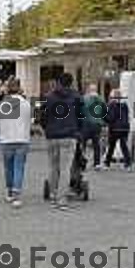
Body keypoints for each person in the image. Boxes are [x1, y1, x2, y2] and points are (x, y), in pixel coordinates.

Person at [40, 72, 84, 210]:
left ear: (59, 82)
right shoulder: (77, 97)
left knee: (53, 166)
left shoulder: (49, 97)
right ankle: (62, 199)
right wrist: (78, 131)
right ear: (71, 83)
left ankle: (53, 195)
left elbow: (42, 116)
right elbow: (81, 117)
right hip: (69, 135)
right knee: (66, 168)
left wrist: (47, 128)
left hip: (52, 136)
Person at [0, 78, 31, 208]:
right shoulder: (26, 103)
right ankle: (17, 196)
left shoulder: (4, 104)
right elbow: (29, 120)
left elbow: (1, 122)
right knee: (19, 167)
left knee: (8, 167)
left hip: (6, 140)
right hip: (22, 139)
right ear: (19, 88)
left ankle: (10, 192)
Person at [104, 89, 132, 171]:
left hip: (115, 128)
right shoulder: (125, 105)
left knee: (111, 146)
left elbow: (110, 117)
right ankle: (128, 164)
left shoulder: (111, 105)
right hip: (125, 128)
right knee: (124, 146)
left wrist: (104, 118)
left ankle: (107, 163)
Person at [82, 83, 106, 170]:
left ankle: (82, 161)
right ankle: (97, 163)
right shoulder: (101, 99)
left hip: (86, 124)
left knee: (83, 144)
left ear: (88, 90)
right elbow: (104, 111)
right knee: (96, 144)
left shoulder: (84, 99)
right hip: (97, 124)